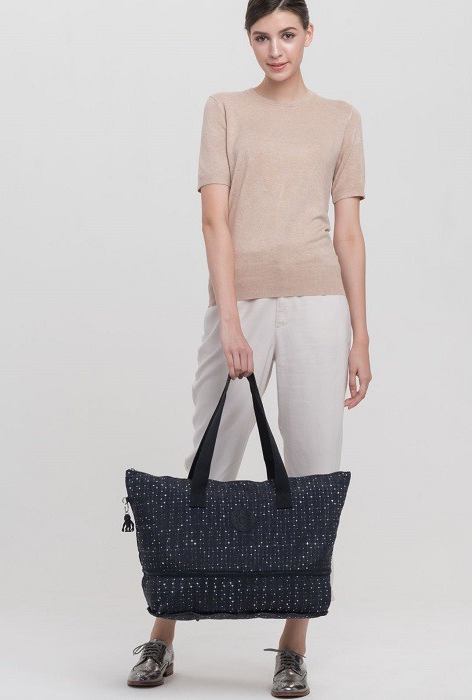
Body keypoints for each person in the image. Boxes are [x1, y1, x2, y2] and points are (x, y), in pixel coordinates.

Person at [127, 1, 372, 696]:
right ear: (249, 41)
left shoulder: (341, 119)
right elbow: (214, 219)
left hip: (320, 305)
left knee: (314, 474)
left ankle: (293, 646)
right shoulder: (226, 110)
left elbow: (348, 233)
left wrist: (361, 333)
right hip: (242, 303)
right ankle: (162, 633)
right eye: (262, 37)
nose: (275, 49)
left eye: (287, 35)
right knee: (209, 463)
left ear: (309, 36)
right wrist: (230, 322)